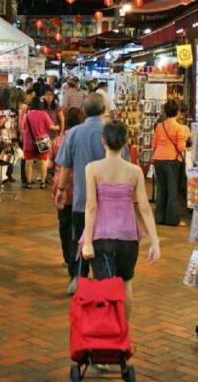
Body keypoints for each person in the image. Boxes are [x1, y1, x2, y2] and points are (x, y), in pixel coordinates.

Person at [81, 120, 160, 319]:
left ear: (103, 141)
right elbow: (144, 208)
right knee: (125, 283)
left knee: (104, 288)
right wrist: (155, 242)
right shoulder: (135, 171)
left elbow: (91, 207)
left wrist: (88, 242)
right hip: (128, 236)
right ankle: (122, 332)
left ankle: (107, 334)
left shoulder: (92, 169)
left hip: (101, 236)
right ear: (126, 142)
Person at [55, 93, 129, 294]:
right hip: (112, 202)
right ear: (105, 109)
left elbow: (66, 167)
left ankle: (78, 278)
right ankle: (106, 280)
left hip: (82, 200)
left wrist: (61, 190)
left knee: (80, 239)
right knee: (108, 242)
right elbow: (126, 165)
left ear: (85, 111)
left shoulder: (74, 133)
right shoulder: (113, 131)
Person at [52, 108, 86, 272]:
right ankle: (77, 258)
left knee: (64, 223)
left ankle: (67, 256)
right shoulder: (84, 139)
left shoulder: (58, 140)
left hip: (62, 187)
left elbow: (53, 162)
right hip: (80, 187)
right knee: (79, 225)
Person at [151, 99, 190, 226]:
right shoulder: (180, 128)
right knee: (173, 190)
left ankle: (159, 217)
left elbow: (154, 144)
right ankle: (173, 220)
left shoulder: (159, 126)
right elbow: (181, 147)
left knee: (161, 189)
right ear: (178, 112)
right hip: (171, 160)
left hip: (158, 159)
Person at [22, 95, 55, 188]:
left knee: (28, 162)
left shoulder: (26, 115)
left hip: (28, 142)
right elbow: (51, 127)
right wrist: (59, 127)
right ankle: (43, 183)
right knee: (43, 162)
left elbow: (23, 129)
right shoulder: (44, 114)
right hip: (43, 141)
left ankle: (28, 183)